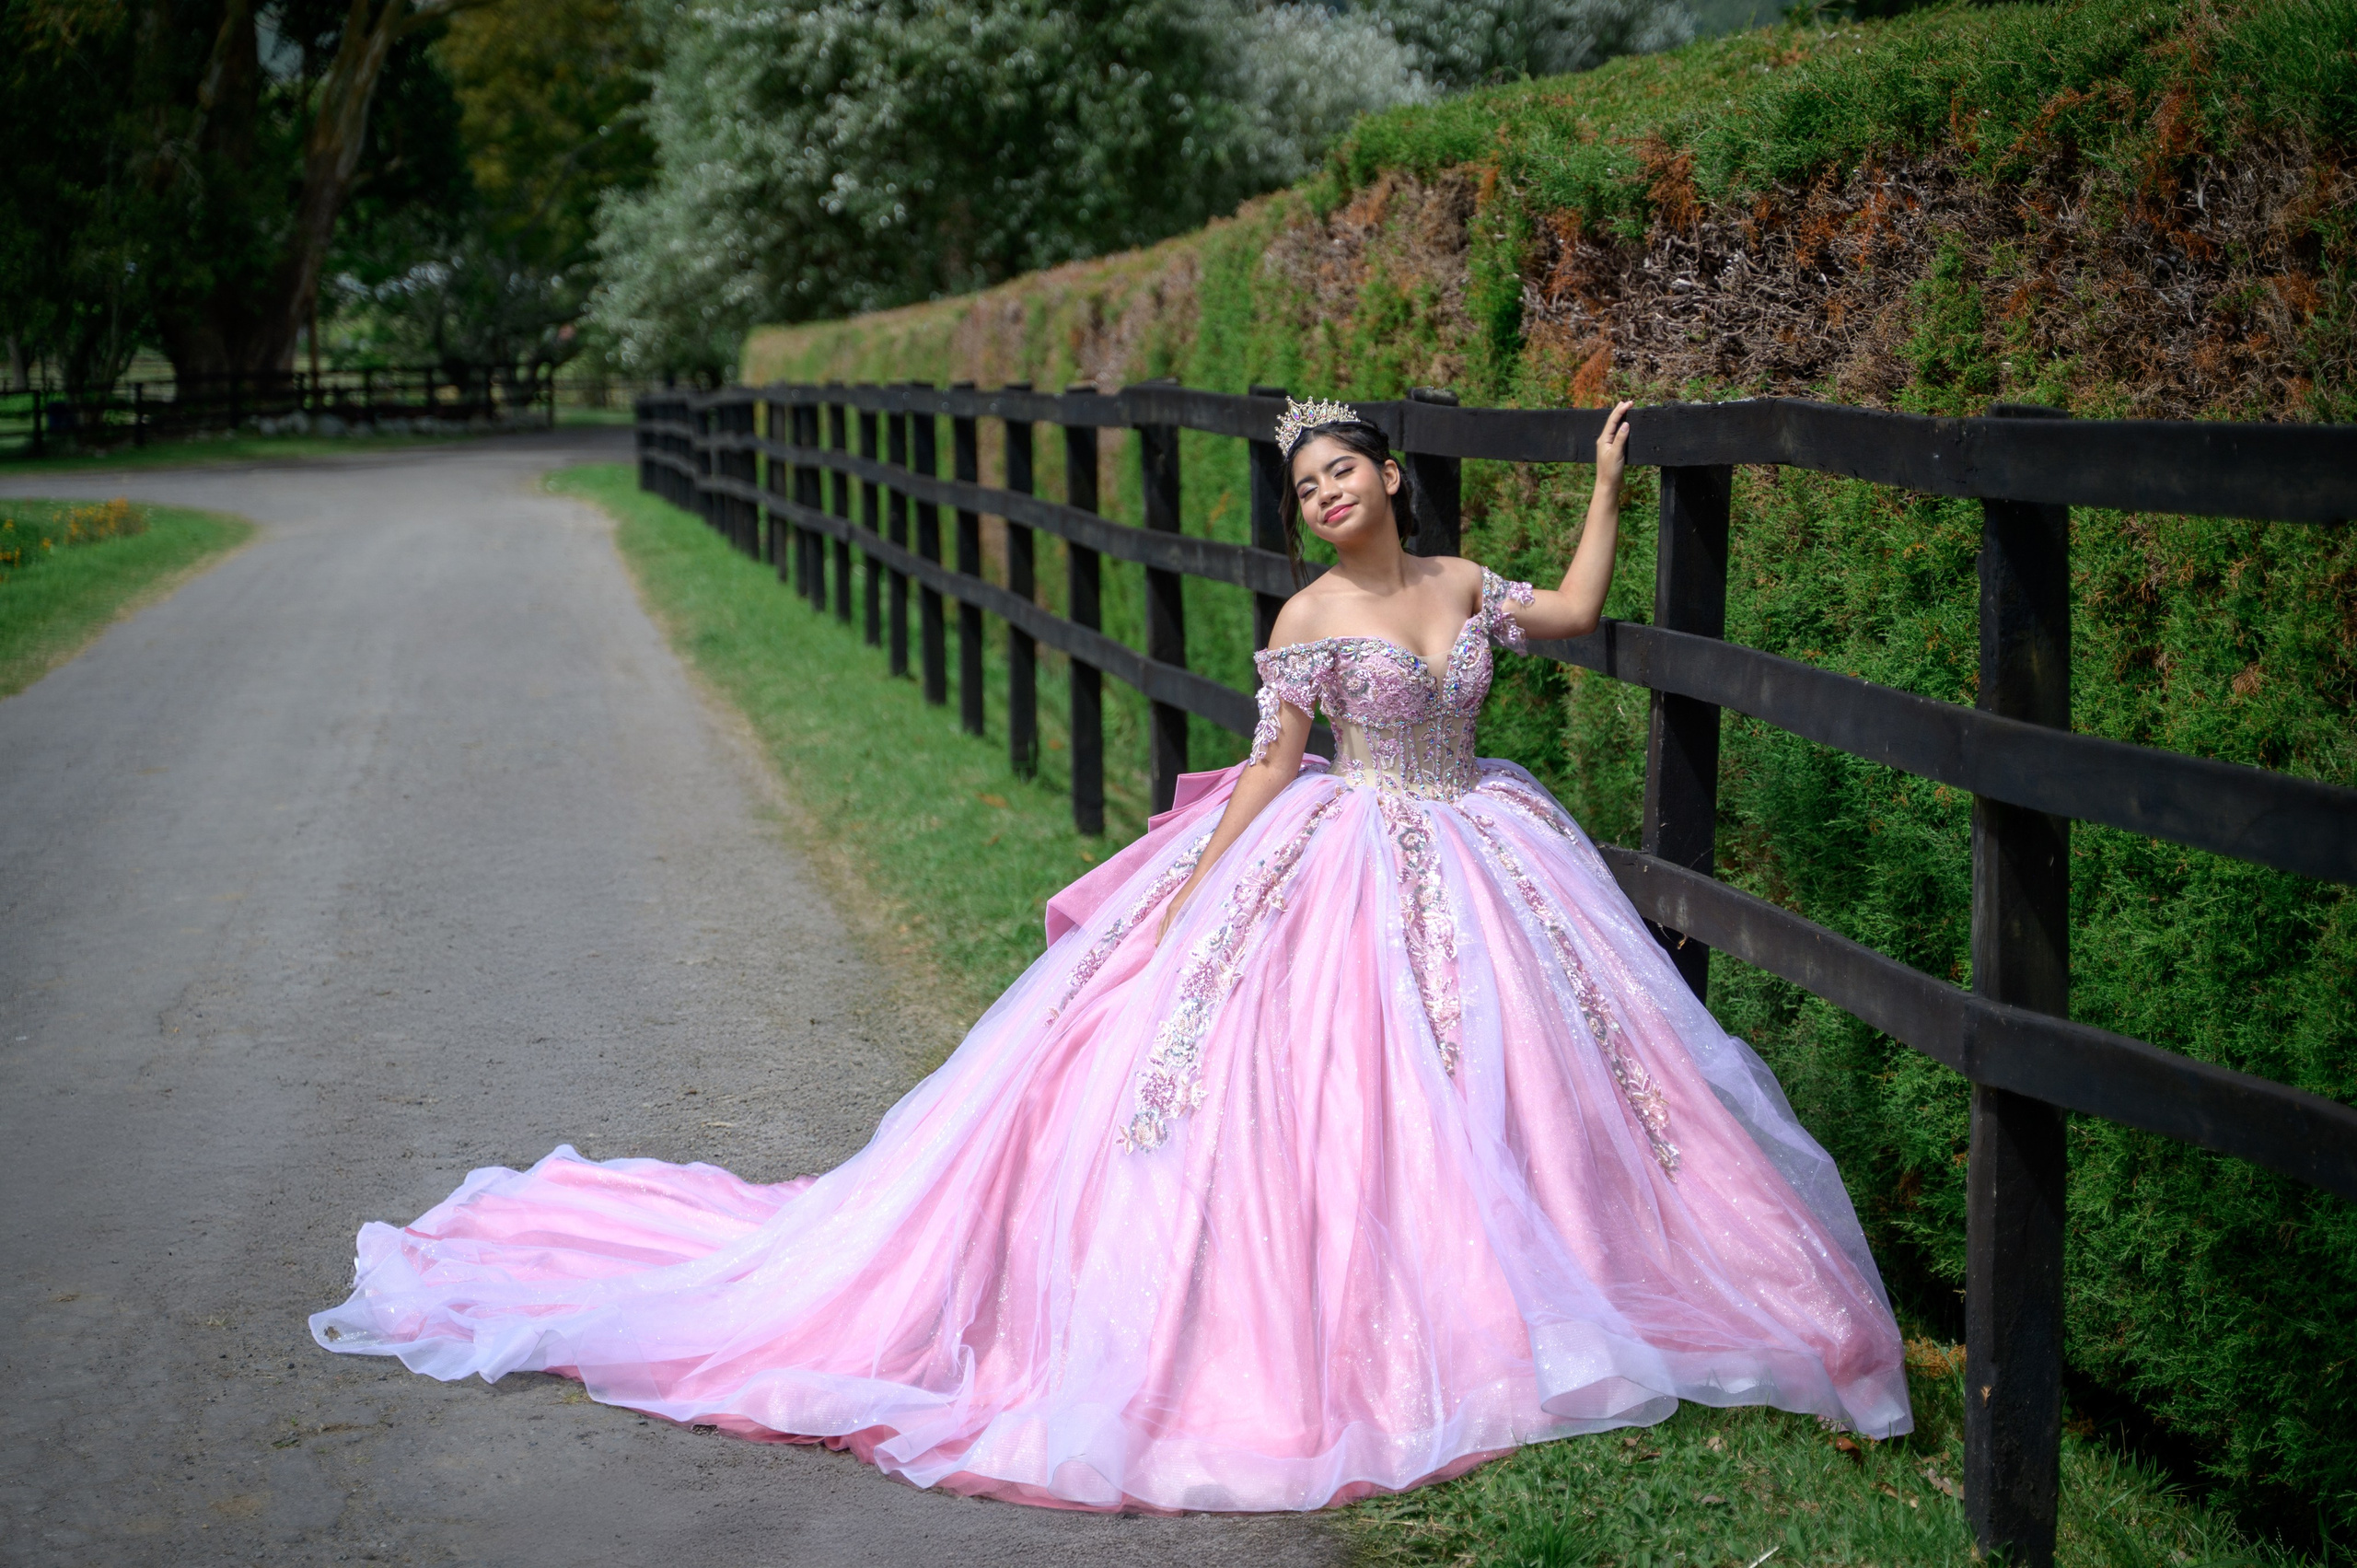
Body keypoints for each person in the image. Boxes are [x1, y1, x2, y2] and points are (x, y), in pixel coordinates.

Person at [312, 396, 1910, 1513]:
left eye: (1343, 473)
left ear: (1393, 481)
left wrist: (1611, 485)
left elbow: (1571, 607)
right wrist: (1189, 884)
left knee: (1553, 1075)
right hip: (1343, 844)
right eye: (1306, 488)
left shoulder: (1465, 586)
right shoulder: (1299, 623)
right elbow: (1279, 764)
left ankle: (1564, 1275)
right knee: (1333, 1088)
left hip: (1488, 847)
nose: (1326, 497)